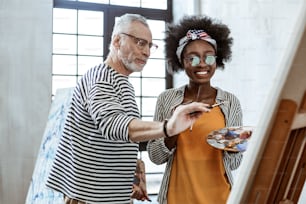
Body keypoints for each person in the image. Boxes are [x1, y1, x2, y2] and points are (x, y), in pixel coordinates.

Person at [46, 13, 209, 204]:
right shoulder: (101, 77)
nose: (147, 52)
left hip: (113, 197)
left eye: (150, 45)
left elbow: (120, 141)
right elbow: (113, 124)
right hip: (91, 199)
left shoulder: (122, 83)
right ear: (117, 41)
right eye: (140, 43)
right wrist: (168, 127)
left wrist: (134, 181)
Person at [147, 15, 244, 204]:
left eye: (208, 56)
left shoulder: (230, 102)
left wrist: (236, 144)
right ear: (181, 61)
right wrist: (174, 126)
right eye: (192, 58)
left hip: (220, 198)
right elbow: (155, 156)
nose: (202, 63)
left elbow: (234, 163)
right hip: (176, 198)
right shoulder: (167, 100)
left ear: (217, 60)